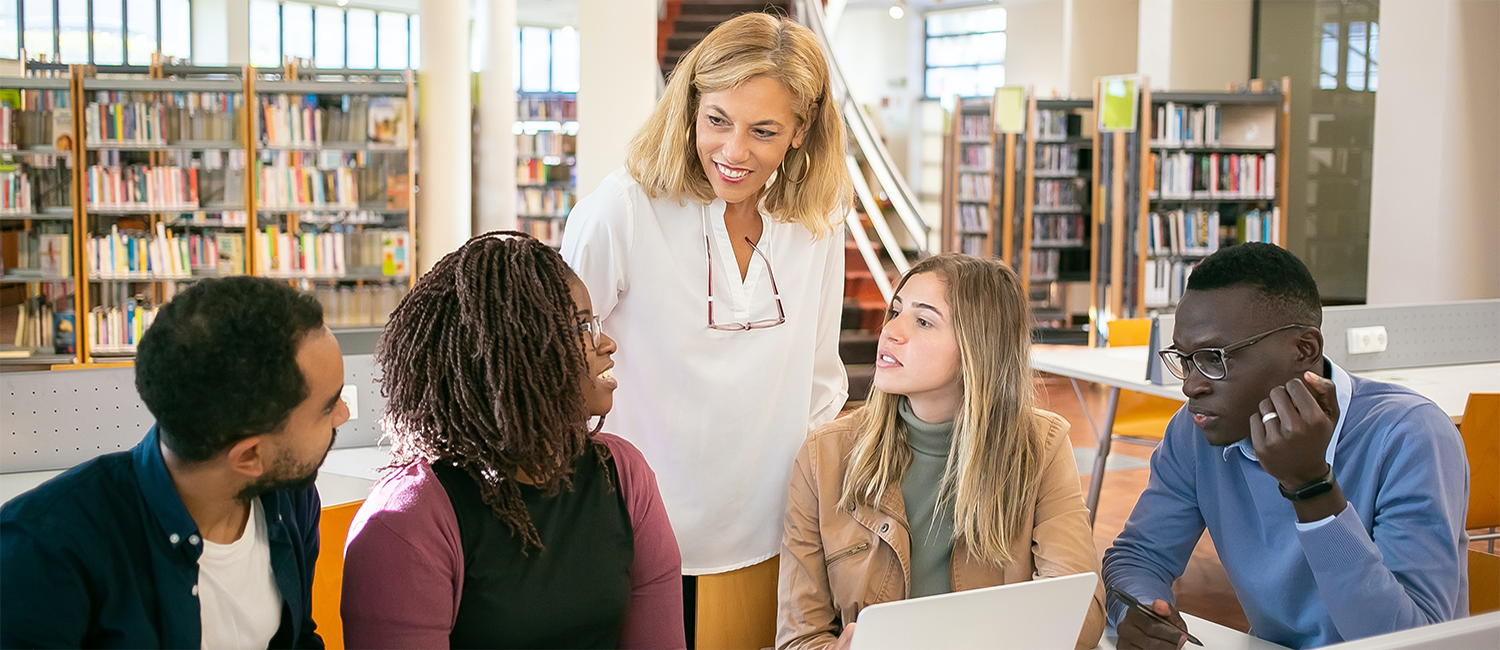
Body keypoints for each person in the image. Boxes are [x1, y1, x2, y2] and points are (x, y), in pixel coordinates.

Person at [560, 11, 854, 641]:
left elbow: (821, 375)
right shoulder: (622, 211)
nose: (734, 151)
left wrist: (815, 516)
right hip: (634, 532)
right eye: (717, 120)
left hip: (776, 532)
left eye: (764, 131)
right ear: (690, 104)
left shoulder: (822, 212)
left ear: (801, 129)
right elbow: (559, 370)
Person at [1104, 243, 1469, 650]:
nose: (1190, 385)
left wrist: (1311, 486)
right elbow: (1139, 556)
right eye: (1185, 360)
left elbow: (1413, 642)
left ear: (1304, 350)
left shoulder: (1409, 435)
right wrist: (1137, 610)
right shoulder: (1195, 432)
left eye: (1214, 358)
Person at [340, 232, 685, 650]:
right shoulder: (407, 521)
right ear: (513, 351)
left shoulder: (624, 476)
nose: (606, 343)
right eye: (581, 326)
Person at [778, 254, 1107, 650]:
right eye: (895, 312)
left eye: (923, 321)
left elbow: (1079, 614)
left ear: (978, 347)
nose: (891, 332)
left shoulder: (1041, 447)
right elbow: (800, 638)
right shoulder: (823, 455)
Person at [0, 276, 347, 648]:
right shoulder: (43, 552)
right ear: (249, 456)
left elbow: (299, 639)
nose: (342, 414)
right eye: (328, 407)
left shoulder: (287, 498)